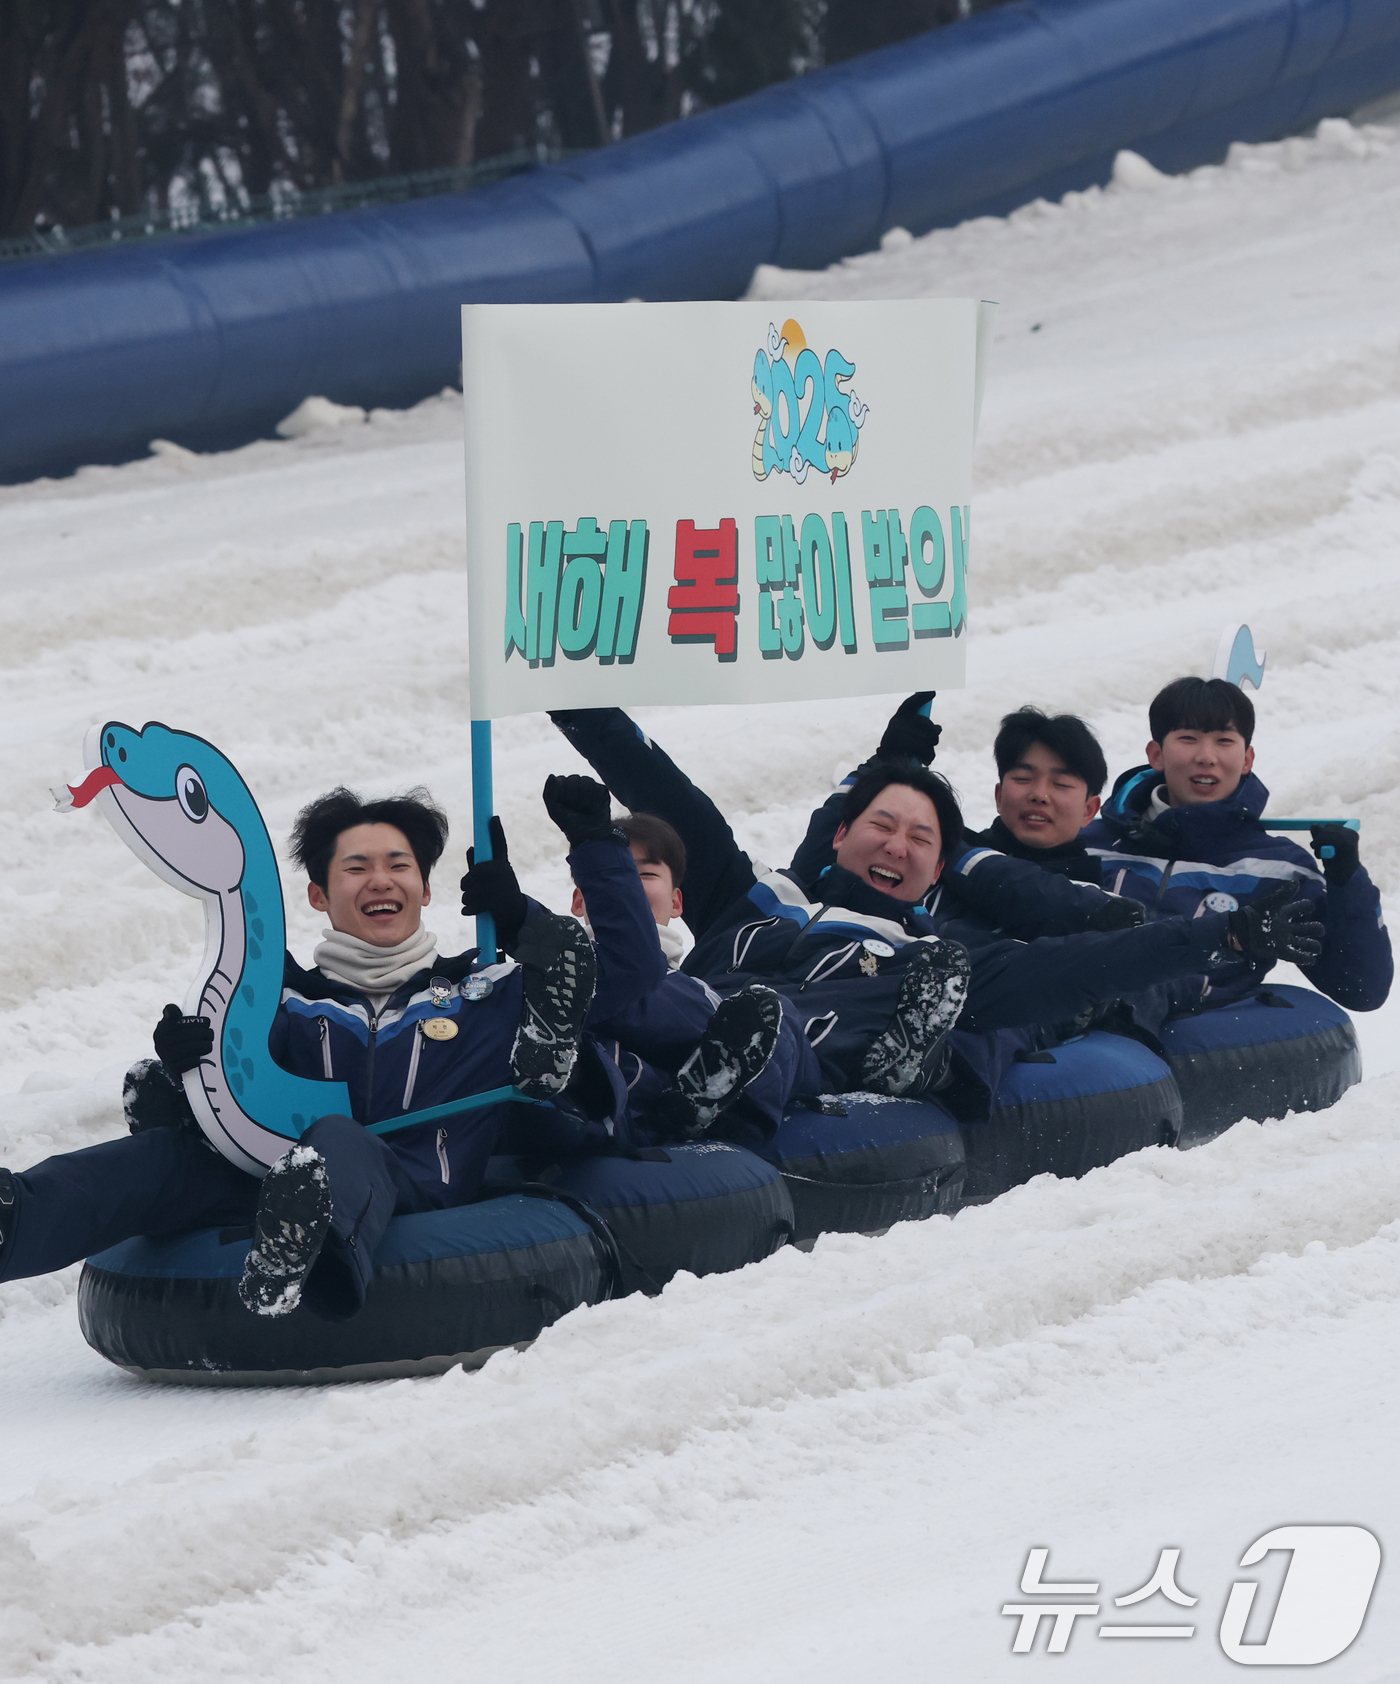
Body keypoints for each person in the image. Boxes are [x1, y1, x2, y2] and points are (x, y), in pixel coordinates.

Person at [0, 787, 632, 1323]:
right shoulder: (282, 1001)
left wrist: (528, 917)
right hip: (271, 1178)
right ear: (318, 895)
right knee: (165, 1158)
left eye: (399, 865)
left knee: (337, 1137)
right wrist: (188, 1070)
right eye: (356, 868)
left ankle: (303, 1259)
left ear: (424, 888)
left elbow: (634, 982)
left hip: (414, 1187)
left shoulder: (481, 991)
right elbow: (244, 1102)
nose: (380, 879)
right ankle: (16, 1217)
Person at [547, 702, 1325, 1118]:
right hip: (677, 1021)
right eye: (882, 825)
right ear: (841, 834)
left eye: (921, 838)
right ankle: (566, 1068)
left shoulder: (935, 959)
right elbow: (669, 796)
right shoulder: (759, 899)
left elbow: (1084, 968)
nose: (898, 844)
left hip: (782, 1050)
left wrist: (1220, 933)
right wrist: (574, 699)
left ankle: (714, 1080)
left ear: (938, 870)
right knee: (662, 994)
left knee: (764, 1020)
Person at [460, 777, 823, 1141]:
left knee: (773, 1016)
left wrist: (525, 922)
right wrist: (516, 917)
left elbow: (634, 965)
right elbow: (623, 964)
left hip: (668, 1084)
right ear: (579, 901)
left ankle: (695, 1099)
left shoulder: (697, 992)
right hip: (604, 1094)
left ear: (677, 902)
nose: (629, 888)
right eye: (617, 876)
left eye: (645, 875)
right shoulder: (564, 984)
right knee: (589, 1026)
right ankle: (664, 1101)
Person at [1082, 676, 1392, 1014]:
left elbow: (1361, 988)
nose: (1207, 756)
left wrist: (1348, 882)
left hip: (1202, 1031)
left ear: (1247, 759)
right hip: (1084, 1015)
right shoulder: (1091, 845)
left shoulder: (1278, 868)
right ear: (1156, 754)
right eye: (1188, 738)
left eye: (1224, 741)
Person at [962, 707, 1113, 885]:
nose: (1040, 795)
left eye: (1061, 784)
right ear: (999, 796)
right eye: (1023, 778)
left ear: (1088, 810)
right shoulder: (949, 862)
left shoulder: (1095, 898)